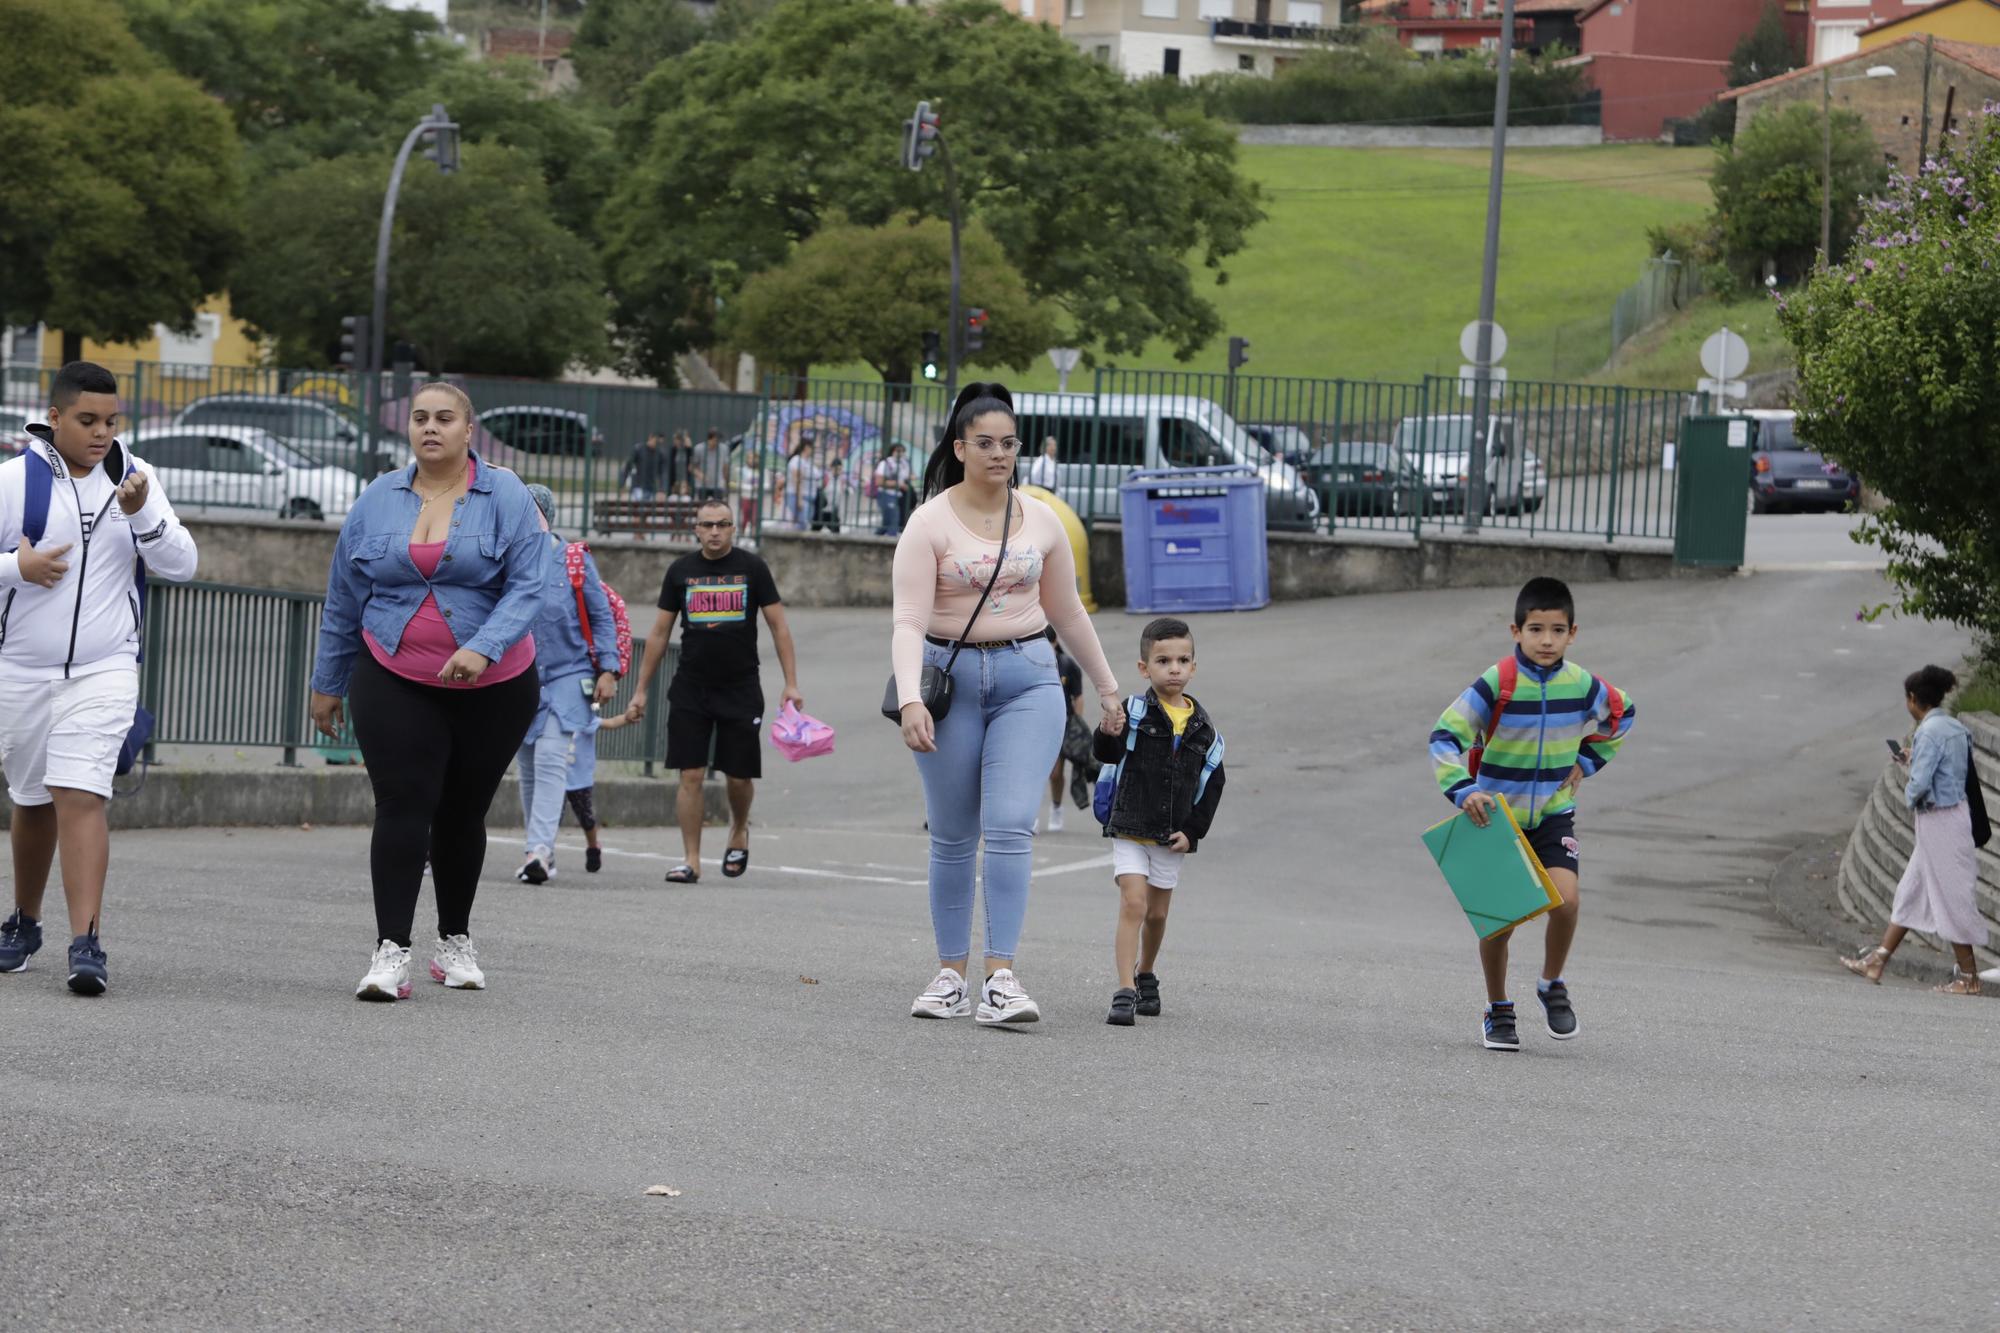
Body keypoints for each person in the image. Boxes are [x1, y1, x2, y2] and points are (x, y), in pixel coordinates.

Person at [892, 382, 1122, 1026]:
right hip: (949, 684)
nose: (999, 454)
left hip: (1029, 678)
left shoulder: (1041, 518)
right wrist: (911, 699)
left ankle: (1001, 978)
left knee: (1013, 822)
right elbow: (908, 620)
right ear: (960, 448)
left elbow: (1067, 612)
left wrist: (1107, 689)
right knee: (954, 833)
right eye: (985, 443)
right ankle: (947, 976)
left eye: (1009, 443)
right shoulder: (929, 522)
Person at [309, 382, 547, 1002]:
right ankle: (391, 953)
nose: (430, 428)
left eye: (445, 418)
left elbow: (529, 586)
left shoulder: (507, 495)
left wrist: (482, 647)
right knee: (402, 804)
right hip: (392, 673)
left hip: (495, 684)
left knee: (461, 812)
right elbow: (343, 598)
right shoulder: (377, 499)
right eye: (420, 418)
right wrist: (327, 683)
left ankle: (454, 941)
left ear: (470, 431)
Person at [0, 362, 199, 994]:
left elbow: (183, 564)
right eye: (87, 421)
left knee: (80, 793)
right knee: (32, 802)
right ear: (54, 417)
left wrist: (142, 515)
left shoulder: (137, 480)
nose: (101, 434)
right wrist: (16, 566)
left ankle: (86, 942)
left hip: (106, 668)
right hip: (20, 671)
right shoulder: (13, 482)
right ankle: (25, 922)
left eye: (111, 422)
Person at [1429, 576, 1636, 1052]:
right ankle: (1498, 1008)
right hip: (1494, 819)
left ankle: (1551, 983)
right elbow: (1444, 736)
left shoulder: (1582, 684)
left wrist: (1587, 761)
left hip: (1552, 814)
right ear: (1515, 630)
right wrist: (1462, 790)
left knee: (1567, 901)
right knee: (1499, 924)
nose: (1547, 640)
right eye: (1536, 629)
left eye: (1557, 630)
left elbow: (1623, 714)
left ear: (1573, 633)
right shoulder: (1497, 682)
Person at [629, 497, 804, 884]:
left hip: (740, 687)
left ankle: (738, 828)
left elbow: (779, 627)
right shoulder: (681, 571)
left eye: (722, 524)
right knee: (689, 775)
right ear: (695, 529)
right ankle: (691, 860)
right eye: (707, 525)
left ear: (733, 528)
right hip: (691, 688)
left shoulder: (752, 568)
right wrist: (640, 689)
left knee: (738, 775)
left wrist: (791, 684)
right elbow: (659, 633)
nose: (714, 532)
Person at [1094, 617, 1226, 1026]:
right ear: (1143, 668)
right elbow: (1109, 754)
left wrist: (1192, 831)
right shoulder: (1133, 713)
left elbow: (1213, 784)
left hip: (1171, 837)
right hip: (1131, 826)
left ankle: (1145, 971)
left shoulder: (1206, 732)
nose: (1174, 668)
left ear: (1193, 667)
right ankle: (1124, 990)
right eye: (1163, 660)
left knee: (1157, 914)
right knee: (1134, 902)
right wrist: (1106, 731)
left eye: (1183, 660)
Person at [1843, 666, 1985, 994]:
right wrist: (1912, 758)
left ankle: (1968, 978)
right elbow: (1950, 771)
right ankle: (1878, 959)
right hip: (1954, 816)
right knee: (1910, 891)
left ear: (1913, 699)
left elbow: (1920, 785)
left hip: (1939, 821)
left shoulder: (1928, 730)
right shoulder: (1955, 727)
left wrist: (1910, 792)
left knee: (1952, 896)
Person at [512, 484, 620, 885]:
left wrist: (608, 669)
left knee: (550, 758)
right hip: (522, 678)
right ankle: (543, 851)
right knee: (527, 765)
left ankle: (537, 850)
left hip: (569, 675)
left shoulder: (574, 560)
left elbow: (602, 615)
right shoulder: (508, 562)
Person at [566, 703, 641, 873]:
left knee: (586, 817)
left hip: (580, 780)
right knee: (552, 816)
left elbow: (611, 723)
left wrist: (626, 718)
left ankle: (593, 848)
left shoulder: (585, 719)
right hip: (557, 778)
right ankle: (545, 851)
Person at [1042, 625, 1085, 833]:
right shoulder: (1034, 664)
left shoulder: (1067, 666)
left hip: (1063, 723)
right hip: (1036, 723)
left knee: (1055, 773)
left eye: (1047, 643)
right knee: (1038, 771)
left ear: (1055, 642)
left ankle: (1056, 808)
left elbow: (1078, 697)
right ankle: (1029, 814)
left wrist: (1077, 724)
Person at [873, 443, 912, 535]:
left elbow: (908, 476)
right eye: (898, 451)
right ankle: (891, 541)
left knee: (886, 522)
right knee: (894, 520)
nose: (900, 453)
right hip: (886, 494)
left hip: (898, 495)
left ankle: (876, 537)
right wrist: (898, 484)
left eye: (902, 451)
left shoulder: (903, 463)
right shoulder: (885, 463)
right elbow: (879, 482)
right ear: (892, 451)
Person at [622, 432, 670, 502]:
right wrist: (622, 484)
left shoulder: (660, 454)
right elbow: (627, 467)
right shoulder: (639, 449)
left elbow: (663, 473)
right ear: (650, 437)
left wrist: (662, 490)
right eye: (656, 442)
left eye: (660, 443)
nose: (657, 445)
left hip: (652, 488)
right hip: (638, 486)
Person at [784, 439, 819, 531]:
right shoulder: (797, 461)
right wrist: (799, 499)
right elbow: (797, 481)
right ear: (807, 448)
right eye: (812, 448)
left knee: (804, 525)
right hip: (799, 496)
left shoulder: (807, 462)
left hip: (809, 497)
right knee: (801, 525)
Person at [692, 429, 729, 502]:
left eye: (719, 440)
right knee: (702, 507)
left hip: (718, 484)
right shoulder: (699, 448)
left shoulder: (724, 448)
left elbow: (725, 466)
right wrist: (700, 475)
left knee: (718, 507)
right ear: (709, 439)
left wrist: (725, 481)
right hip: (702, 484)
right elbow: (692, 467)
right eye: (715, 440)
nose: (717, 442)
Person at [668, 430, 695, 494]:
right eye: (675, 439)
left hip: (686, 483)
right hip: (674, 482)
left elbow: (692, 466)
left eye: (677, 439)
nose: (675, 441)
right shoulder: (672, 450)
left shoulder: (689, 451)